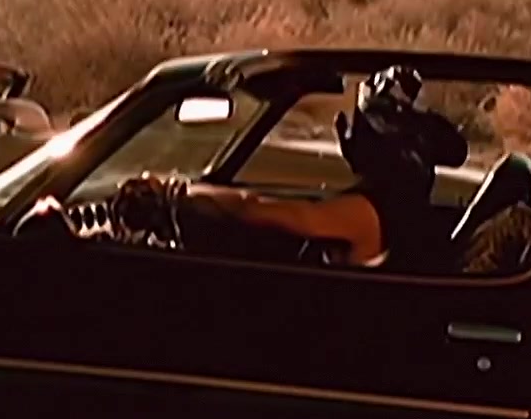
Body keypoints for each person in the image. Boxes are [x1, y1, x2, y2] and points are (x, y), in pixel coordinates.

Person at [115, 65, 469, 271]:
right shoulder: (406, 201)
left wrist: (177, 194)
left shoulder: (368, 210)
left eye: (359, 126)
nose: (349, 135)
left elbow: (263, 209)